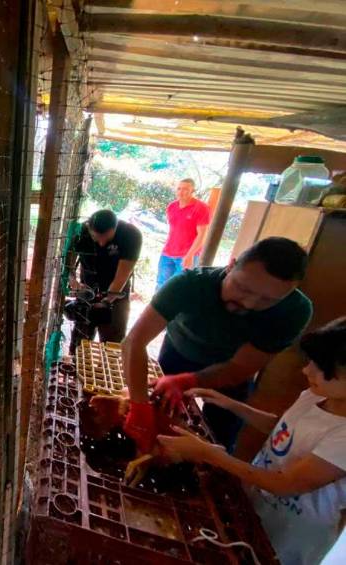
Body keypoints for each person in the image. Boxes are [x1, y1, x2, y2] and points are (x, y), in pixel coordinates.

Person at [158, 317, 346, 565]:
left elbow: (286, 484)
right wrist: (230, 403)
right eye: (311, 361)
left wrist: (210, 454)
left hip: (289, 531)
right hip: (258, 502)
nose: (306, 370)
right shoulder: (315, 395)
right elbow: (283, 429)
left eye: (323, 369)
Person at [122, 237, 313, 452]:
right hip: (179, 351)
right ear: (231, 266)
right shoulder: (190, 284)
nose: (249, 304)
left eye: (268, 301)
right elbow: (134, 342)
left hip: (230, 369)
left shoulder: (294, 311)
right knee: (157, 418)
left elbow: (239, 368)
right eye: (244, 288)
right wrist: (139, 406)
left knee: (218, 441)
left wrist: (188, 380)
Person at [67, 209, 142, 355]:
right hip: (88, 290)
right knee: (80, 342)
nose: (101, 243)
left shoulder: (130, 235)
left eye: (107, 239)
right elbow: (68, 266)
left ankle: (107, 369)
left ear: (115, 228)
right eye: (97, 238)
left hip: (117, 293)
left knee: (112, 344)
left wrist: (107, 301)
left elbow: (121, 277)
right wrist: (73, 281)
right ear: (89, 228)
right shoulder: (80, 233)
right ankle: (77, 367)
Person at [156, 178, 211, 289]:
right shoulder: (171, 206)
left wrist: (190, 255)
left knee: (179, 287)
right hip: (167, 252)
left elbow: (202, 235)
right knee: (161, 284)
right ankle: (156, 306)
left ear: (193, 191)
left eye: (185, 189)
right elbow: (174, 229)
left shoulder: (201, 208)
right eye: (179, 188)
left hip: (186, 255)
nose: (181, 192)